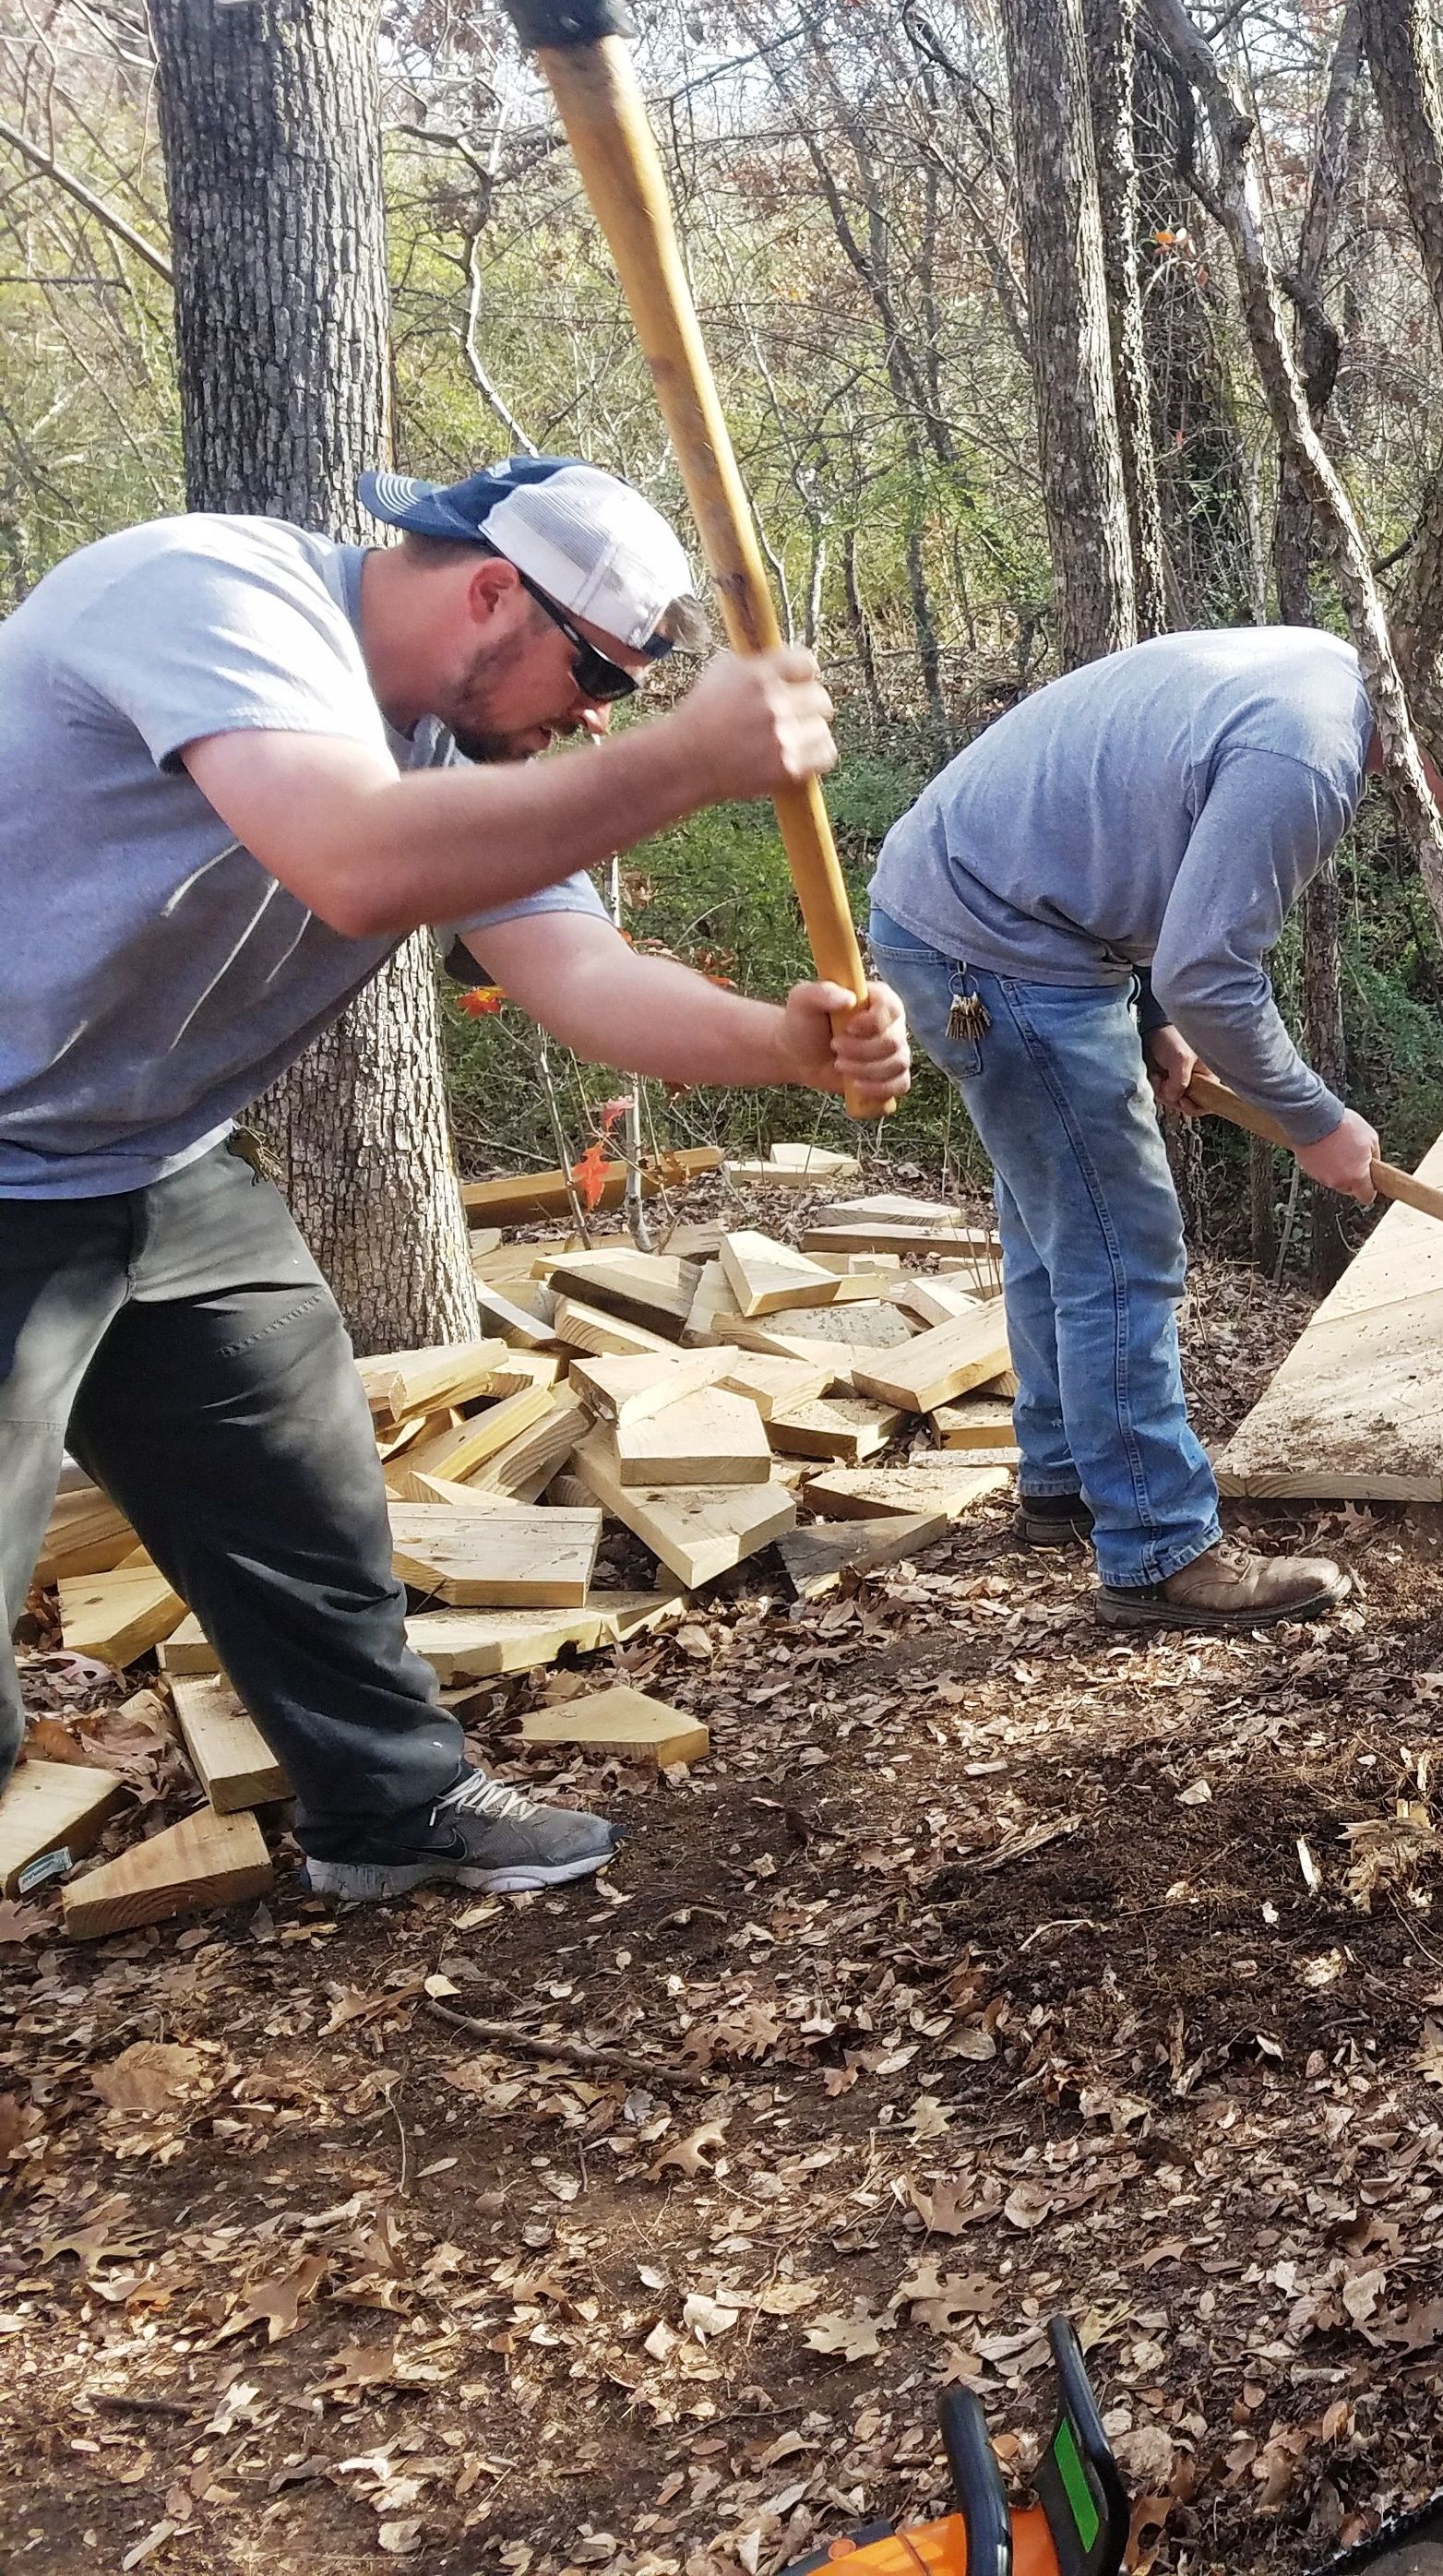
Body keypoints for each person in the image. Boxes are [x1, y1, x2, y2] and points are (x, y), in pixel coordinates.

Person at [0, 455, 913, 1902]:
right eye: (595, 679)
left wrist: (781, 1044)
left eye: (620, 700)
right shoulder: (209, 593)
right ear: (495, 591)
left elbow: (582, 972)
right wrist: (681, 759)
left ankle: (391, 1806)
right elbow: (355, 863)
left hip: (149, 1162)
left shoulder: (463, 752)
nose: (592, 722)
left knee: (296, 1487)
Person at [867, 613, 1443, 1633]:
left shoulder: (1322, 678)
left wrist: (1156, 1017)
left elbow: (1149, 850)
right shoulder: (1309, 753)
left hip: (975, 917)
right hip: (999, 947)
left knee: (1054, 1220)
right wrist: (1311, 1119)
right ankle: (1157, 1549)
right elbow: (1212, 967)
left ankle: (1066, 1479)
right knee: (1122, 1243)